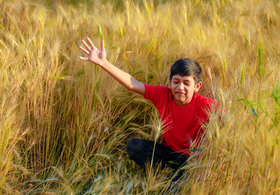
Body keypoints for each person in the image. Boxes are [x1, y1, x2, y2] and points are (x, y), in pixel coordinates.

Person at [78, 36, 217, 181]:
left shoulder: (207, 105)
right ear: (169, 82)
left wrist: (208, 163)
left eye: (186, 83)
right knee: (134, 146)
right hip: (168, 153)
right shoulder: (163, 95)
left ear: (197, 87)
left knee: (173, 193)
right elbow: (132, 84)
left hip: (192, 161)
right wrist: (103, 63)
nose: (180, 87)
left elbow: (230, 123)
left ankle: (177, 179)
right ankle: (163, 173)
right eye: (176, 82)